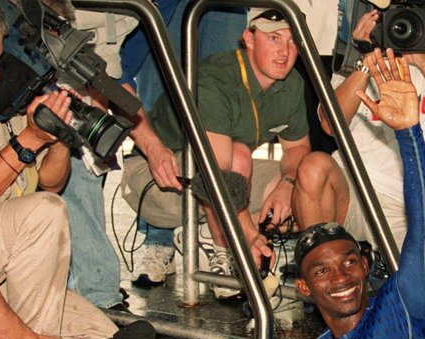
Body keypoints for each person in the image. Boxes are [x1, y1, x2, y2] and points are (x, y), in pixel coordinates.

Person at [247, 48, 425, 339]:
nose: (341, 276)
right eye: (321, 270)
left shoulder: (399, 313)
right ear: (304, 287)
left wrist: (409, 133)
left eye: (349, 261)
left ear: (365, 265)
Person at [0, 0, 117, 339]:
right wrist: (29, 139)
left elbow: (50, 184)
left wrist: (60, 138)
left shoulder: (0, 96)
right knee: (43, 215)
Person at [121, 8, 311, 299]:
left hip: (216, 175)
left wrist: (288, 184)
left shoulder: (291, 83)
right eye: (273, 38)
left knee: (310, 181)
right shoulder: (216, 78)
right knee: (238, 157)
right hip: (157, 180)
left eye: (292, 40)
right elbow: (219, 175)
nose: (285, 51)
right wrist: (249, 233)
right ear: (248, 38)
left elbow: (298, 148)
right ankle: (223, 251)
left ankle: (210, 235)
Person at [292, 0, 425, 309]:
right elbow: (328, 123)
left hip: (409, 204)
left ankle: (373, 264)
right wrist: (366, 59)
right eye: (410, 6)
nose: (418, 15)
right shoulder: (358, 65)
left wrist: (424, 62)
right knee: (313, 167)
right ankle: (319, 277)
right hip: (354, 191)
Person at [59, 7, 179, 310]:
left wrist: (153, 147)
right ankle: (97, 296)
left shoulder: (135, 14)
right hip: (38, 62)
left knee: (87, 155)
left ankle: (92, 289)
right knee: (76, 164)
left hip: (88, 62)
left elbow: (111, 79)